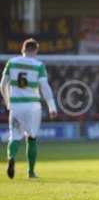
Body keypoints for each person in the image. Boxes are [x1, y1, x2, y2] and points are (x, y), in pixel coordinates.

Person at [0, 38, 57, 179]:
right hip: (32, 107)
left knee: (14, 136)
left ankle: (11, 158)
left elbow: (2, 84)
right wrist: (52, 107)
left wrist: (8, 101)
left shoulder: (11, 62)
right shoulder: (38, 65)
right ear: (36, 50)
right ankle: (31, 172)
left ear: (22, 49)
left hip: (16, 106)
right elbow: (45, 87)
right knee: (31, 138)